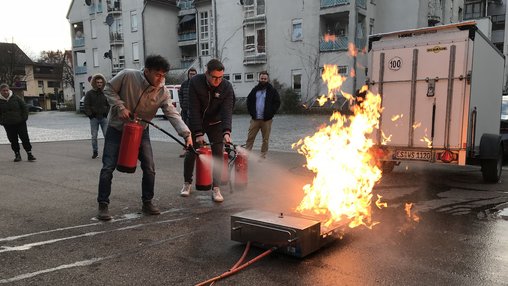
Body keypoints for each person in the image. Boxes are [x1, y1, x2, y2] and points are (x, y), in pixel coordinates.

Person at [97, 55, 192, 221]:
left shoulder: (163, 91)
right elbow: (108, 89)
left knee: (149, 167)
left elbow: (172, 113)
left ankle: (147, 202)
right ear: (146, 71)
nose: (161, 78)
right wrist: (120, 107)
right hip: (117, 128)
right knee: (108, 166)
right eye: (157, 74)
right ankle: (103, 205)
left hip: (141, 130)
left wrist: (186, 133)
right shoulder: (128, 75)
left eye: (163, 75)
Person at [180, 59, 235, 202]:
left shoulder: (227, 87)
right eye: (214, 77)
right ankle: (187, 183)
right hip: (197, 120)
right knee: (191, 151)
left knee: (218, 153)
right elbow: (193, 109)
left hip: (216, 123)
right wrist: (198, 133)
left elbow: (227, 111)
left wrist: (227, 132)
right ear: (206, 73)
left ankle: (216, 188)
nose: (218, 81)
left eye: (221, 77)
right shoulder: (195, 83)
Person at [245, 71, 281, 159]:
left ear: (268, 79)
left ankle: (263, 156)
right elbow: (249, 101)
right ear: (259, 79)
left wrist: (271, 113)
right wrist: (252, 113)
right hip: (255, 119)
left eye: (265, 79)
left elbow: (277, 102)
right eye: (262, 78)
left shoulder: (272, 90)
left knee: (265, 139)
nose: (263, 80)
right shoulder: (255, 90)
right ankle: (246, 155)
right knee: (250, 138)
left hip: (267, 120)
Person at [0, 83, 36, 162]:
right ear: (1, 91)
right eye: (3, 91)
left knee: (25, 138)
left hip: (20, 122)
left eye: (7, 90)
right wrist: (2, 121)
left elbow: (24, 108)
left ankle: (29, 154)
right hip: (8, 124)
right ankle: (17, 155)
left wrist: (24, 118)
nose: (5, 92)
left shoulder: (16, 98)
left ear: (9, 90)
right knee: (13, 140)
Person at [84, 73, 109, 159]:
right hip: (94, 118)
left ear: (103, 83)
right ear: (94, 82)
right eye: (98, 82)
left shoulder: (105, 93)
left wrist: (106, 113)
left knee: (107, 136)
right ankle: (95, 152)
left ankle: (107, 152)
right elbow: (86, 105)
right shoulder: (89, 93)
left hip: (104, 118)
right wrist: (90, 115)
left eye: (101, 82)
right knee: (94, 136)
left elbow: (109, 104)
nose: (99, 84)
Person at [177, 67, 197, 157]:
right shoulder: (184, 84)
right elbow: (180, 94)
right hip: (184, 110)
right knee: (185, 130)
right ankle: (187, 147)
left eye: (194, 74)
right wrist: (181, 103)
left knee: (195, 130)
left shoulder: (198, 84)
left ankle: (194, 147)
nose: (192, 75)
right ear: (188, 75)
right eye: (191, 74)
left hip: (194, 112)